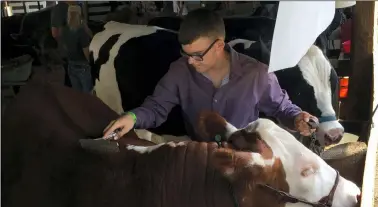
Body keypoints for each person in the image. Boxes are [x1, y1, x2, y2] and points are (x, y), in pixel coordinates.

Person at [103, 8, 318, 143]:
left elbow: (282, 108)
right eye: (185, 54)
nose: (190, 61)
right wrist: (131, 118)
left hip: (245, 158)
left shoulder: (257, 73)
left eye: (197, 55)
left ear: (218, 46)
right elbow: (156, 108)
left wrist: (299, 118)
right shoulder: (180, 71)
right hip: (199, 156)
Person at [51, 1, 92, 88]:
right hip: (83, 65)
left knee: (77, 91)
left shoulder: (64, 30)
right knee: (88, 92)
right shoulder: (81, 32)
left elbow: (56, 35)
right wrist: (91, 63)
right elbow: (86, 53)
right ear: (79, 15)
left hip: (71, 64)